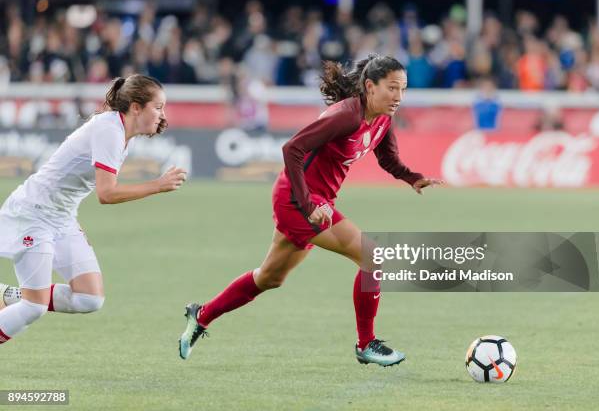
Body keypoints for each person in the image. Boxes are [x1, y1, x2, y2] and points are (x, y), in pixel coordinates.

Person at [178, 54, 442, 366]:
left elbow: (387, 159)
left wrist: (411, 177)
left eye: (403, 89)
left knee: (269, 278)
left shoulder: (382, 119)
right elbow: (292, 149)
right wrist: (308, 203)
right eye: (392, 88)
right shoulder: (345, 115)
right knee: (373, 257)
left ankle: (202, 315)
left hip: (315, 203)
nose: (398, 97)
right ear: (370, 86)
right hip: (297, 199)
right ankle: (366, 343)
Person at [0, 74, 187, 345]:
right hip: (33, 215)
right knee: (34, 307)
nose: (162, 114)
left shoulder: (122, 132)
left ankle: (10, 295)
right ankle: (23, 297)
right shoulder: (109, 130)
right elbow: (106, 193)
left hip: (61, 218)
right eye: (157, 107)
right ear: (136, 107)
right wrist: (158, 185)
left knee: (89, 298)